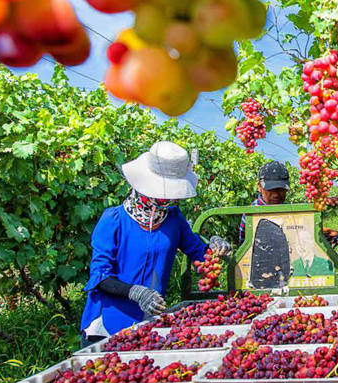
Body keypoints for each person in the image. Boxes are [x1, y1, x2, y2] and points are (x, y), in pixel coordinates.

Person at [79, 141, 229, 348]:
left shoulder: (173, 219)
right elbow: (100, 276)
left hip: (148, 323)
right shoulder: (114, 220)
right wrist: (135, 292)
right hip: (107, 326)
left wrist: (214, 246)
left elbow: (199, 254)